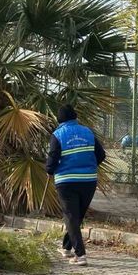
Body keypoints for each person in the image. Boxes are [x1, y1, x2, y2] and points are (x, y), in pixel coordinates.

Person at [45, 105, 106, 266]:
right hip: (88, 181)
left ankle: (80, 255)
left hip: (66, 181)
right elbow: (101, 155)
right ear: (75, 117)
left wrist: (49, 170)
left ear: (59, 120)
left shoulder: (57, 135)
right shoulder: (88, 132)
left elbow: (52, 157)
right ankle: (66, 248)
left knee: (72, 217)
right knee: (76, 217)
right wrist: (89, 165)